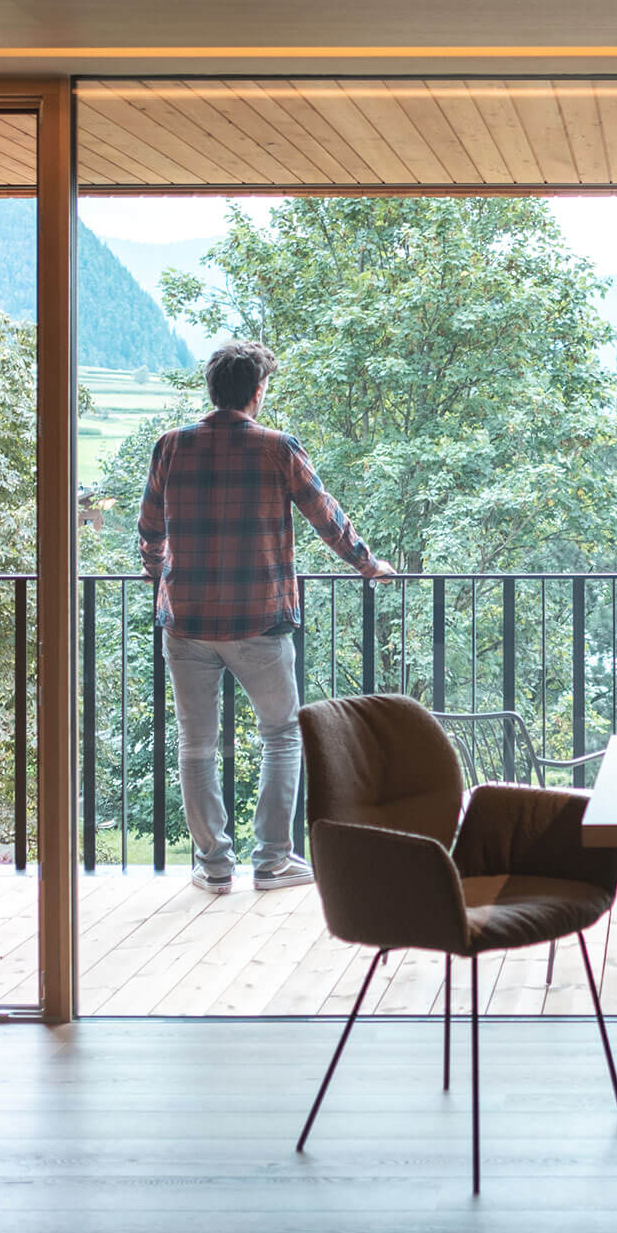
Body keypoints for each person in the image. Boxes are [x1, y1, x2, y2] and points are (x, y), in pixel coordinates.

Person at [138, 340, 394, 894]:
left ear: (213, 389)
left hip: (186, 622)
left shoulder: (171, 445)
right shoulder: (278, 448)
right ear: (257, 392)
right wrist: (367, 564)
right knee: (281, 735)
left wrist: (157, 574)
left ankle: (213, 866)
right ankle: (273, 861)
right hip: (259, 620)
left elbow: (150, 527)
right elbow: (326, 516)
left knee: (196, 744)